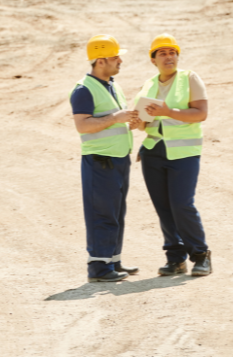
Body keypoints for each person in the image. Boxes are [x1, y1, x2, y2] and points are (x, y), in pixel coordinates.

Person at [131, 34, 212, 276]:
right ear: (153, 60)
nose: (169, 57)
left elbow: (200, 113)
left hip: (184, 153)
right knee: (163, 207)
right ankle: (175, 258)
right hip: (154, 152)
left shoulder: (190, 79)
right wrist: (137, 123)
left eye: (172, 52)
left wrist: (168, 112)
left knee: (181, 204)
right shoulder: (148, 85)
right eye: (162, 53)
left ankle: (201, 255)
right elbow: (145, 121)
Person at [71, 34, 139, 283]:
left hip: (119, 159)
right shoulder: (83, 90)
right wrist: (116, 118)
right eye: (114, 57)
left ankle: (113, 260)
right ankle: (98, 267)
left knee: (116, 212)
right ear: (100, 61)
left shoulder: (113, 85)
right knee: (102, 213)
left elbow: (114, 120)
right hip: (100, 161)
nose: (120, 60)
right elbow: (83, 125)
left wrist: (132, 121)